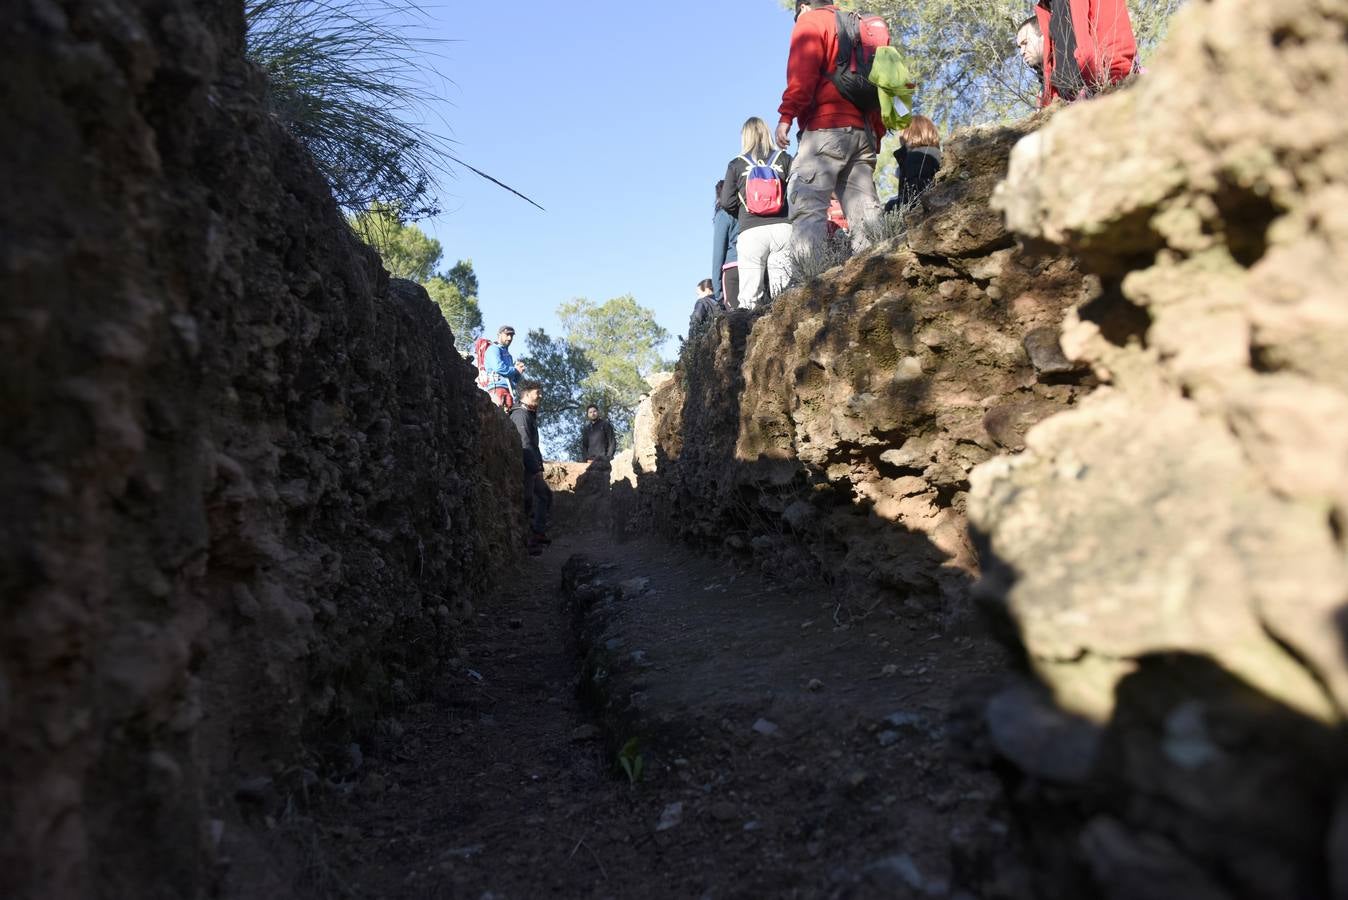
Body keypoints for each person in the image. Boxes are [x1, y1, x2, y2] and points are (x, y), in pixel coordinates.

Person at [777, 0, 887, 264]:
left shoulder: (811, 21)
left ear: (803, 6)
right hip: (863, 131)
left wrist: (786, 116)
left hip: (825, 130)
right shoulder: (856, 23)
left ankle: (808, 287)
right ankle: (877, 272)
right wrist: (877, 132)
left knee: (809, 207)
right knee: (865, 214)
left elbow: (802, 75)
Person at [719, 117, 793, 309]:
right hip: (782, 228)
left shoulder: (736, 164)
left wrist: (744, 211)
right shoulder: (784, 159)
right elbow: (796, 192)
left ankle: (749, 337)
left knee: (749, 296)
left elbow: (727, 202)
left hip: (751, 232)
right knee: (783, 292)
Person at [1032, 0, 1137, 106]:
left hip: (1101, 91)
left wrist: (1115, 83)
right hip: (1067, 102)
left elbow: (1115, 33)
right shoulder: (1046, 6)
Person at [509, 381, 552, 554]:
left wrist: (539, 467)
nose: (540, 395)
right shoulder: (520, 415)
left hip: (532, 466)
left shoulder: (529, 415)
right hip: (525, 467)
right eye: (537, 392)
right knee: (527, 501)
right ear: (526, 394)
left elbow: (534, 446)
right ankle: (529, 540)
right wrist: (535, 470)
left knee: (545, 496)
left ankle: (537, 534)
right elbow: (524, 444)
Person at [887, 115, 942, 212]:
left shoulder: (917, 157)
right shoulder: (934, 156)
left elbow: (913, 199)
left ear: (908, 133)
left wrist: (890, 206)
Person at [712, 180, 740, 309]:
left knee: (736, 321)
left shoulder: (723, 215)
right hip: (754, 264)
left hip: (733, 269)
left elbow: (718, 252)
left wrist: (717, 292)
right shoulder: (746, 211)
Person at [483, 325, 525, 409]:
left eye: (511, 336)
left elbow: (512, 379)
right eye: (507, 335)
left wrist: (518, 373)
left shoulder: (508, 355)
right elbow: (499, 368)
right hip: (497, 389)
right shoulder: (493, 349)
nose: (509, 338)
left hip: (508, 391)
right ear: (499, 335)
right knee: (496, 417)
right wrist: (515, 370)